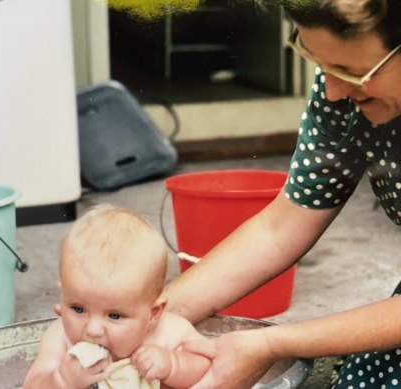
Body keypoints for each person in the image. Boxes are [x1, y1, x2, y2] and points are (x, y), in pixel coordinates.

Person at [161, 1, 401, 388]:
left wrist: (269, 344)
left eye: (354, 72)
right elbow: (282, 226)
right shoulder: (339, 93)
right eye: (322, 64)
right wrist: (154, 317)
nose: (334, 90)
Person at [23, 204, 211, 389]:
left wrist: (173, 365)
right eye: (78, 309)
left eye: (115, 316)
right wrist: (62, 381)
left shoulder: (170, 332)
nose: (93, 330)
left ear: (153, 314)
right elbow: (31, 384)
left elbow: (208, 369)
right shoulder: (60, 338)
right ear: (62, 301)